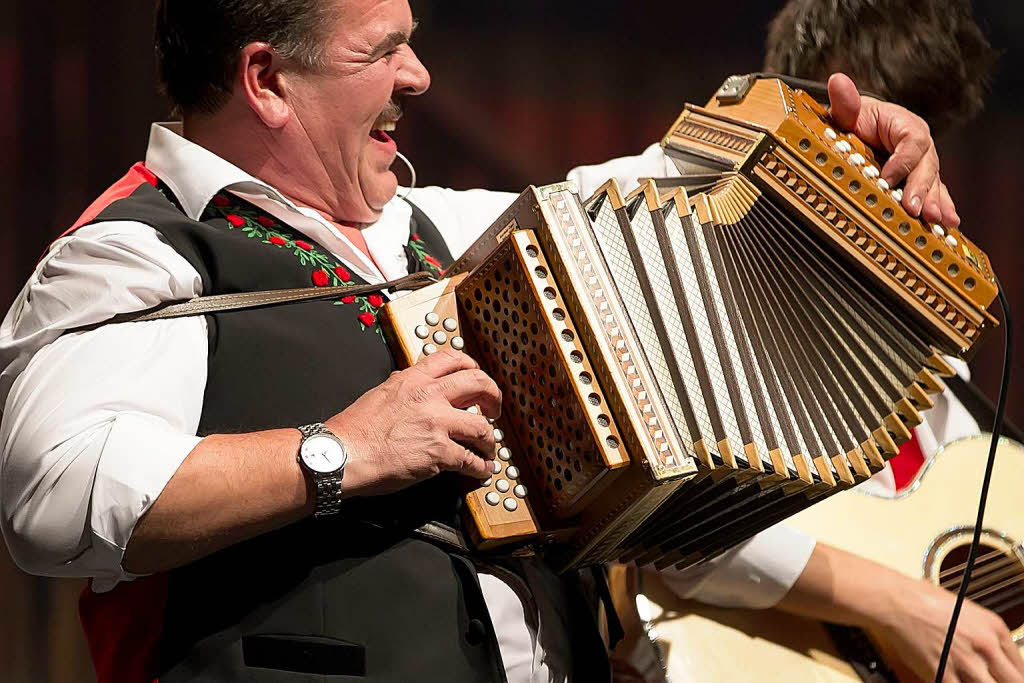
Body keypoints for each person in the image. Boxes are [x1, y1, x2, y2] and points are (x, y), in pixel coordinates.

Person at [0, 1, 1013, 682]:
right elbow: (52, 495)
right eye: (381, 51)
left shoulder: (432, 225)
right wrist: (342, 449)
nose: (420, 73)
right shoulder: (136, 252)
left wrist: (831, 144)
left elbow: (660, 181)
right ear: (265, 78)